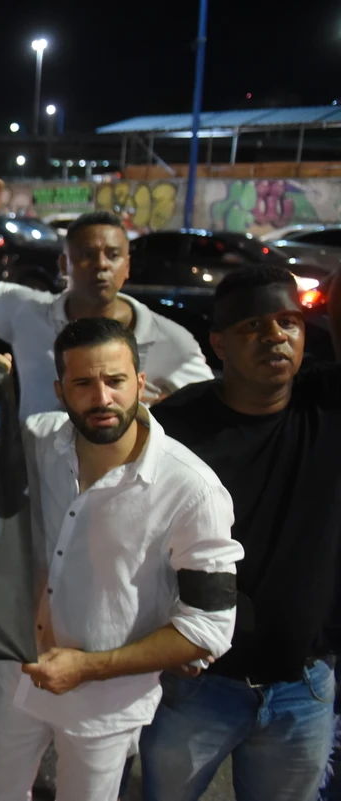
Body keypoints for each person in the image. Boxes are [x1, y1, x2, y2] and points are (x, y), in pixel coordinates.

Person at [0, 316, 243, 801]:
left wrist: (89, 667)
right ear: (60, 390)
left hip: (104, 706)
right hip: (15, 678)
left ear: (140, 383)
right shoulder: (39, 440)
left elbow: (209, 626)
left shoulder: (191, 489)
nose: (102, 398)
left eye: (115, 380)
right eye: (83, 382)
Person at [139, 265, 341, 801]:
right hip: (196, 687)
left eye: (288, 321)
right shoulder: (175, 428)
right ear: (219, 343)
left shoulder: (329, 403)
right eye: (254, 325)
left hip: (305, 688)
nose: (275, 335)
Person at [0, 179, 213, 419]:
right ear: (64, 264)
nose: (101, 265)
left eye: (112, 255)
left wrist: (166, 413)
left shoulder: (171, 341)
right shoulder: (27, 312)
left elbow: (211, 406)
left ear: (127, 266)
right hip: (42, 481)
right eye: (86, 255)